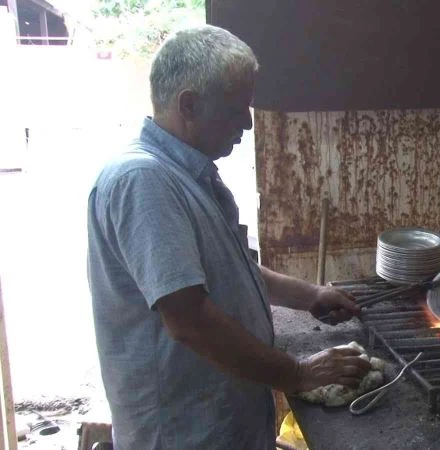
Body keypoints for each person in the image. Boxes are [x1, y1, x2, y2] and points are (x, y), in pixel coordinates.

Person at [87, 25, 371, 450]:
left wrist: (310, 294)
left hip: (221, 426)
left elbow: (232, 270)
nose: (248, 123)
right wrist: (299, 373)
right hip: (184, 436)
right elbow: (189, 319)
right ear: (188, 105)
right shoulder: (143, 180)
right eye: (237, 108)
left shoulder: (188, 175)